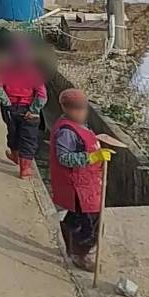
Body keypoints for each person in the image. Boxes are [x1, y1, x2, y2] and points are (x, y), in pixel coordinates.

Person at [48, 88, 113, 271]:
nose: (82, 113)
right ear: (67, 109)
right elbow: (64, 157)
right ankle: (80, 254)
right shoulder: (66, 132)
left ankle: (68, 232)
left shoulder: (79, 126)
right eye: (78, 109)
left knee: (78, 217)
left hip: (88, 182)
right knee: (91, 222)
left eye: (84, 109)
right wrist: (91, 157)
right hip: (78, 186)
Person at [0, 34, 46, 179]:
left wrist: (6, 102)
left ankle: (15, 157)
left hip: (10, 109)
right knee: (29, 138)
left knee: (13, 132)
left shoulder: (5, 70)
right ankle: (25, 169)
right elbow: (41, 95)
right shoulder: (34, 73)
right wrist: (34, 110)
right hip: (29, 109)